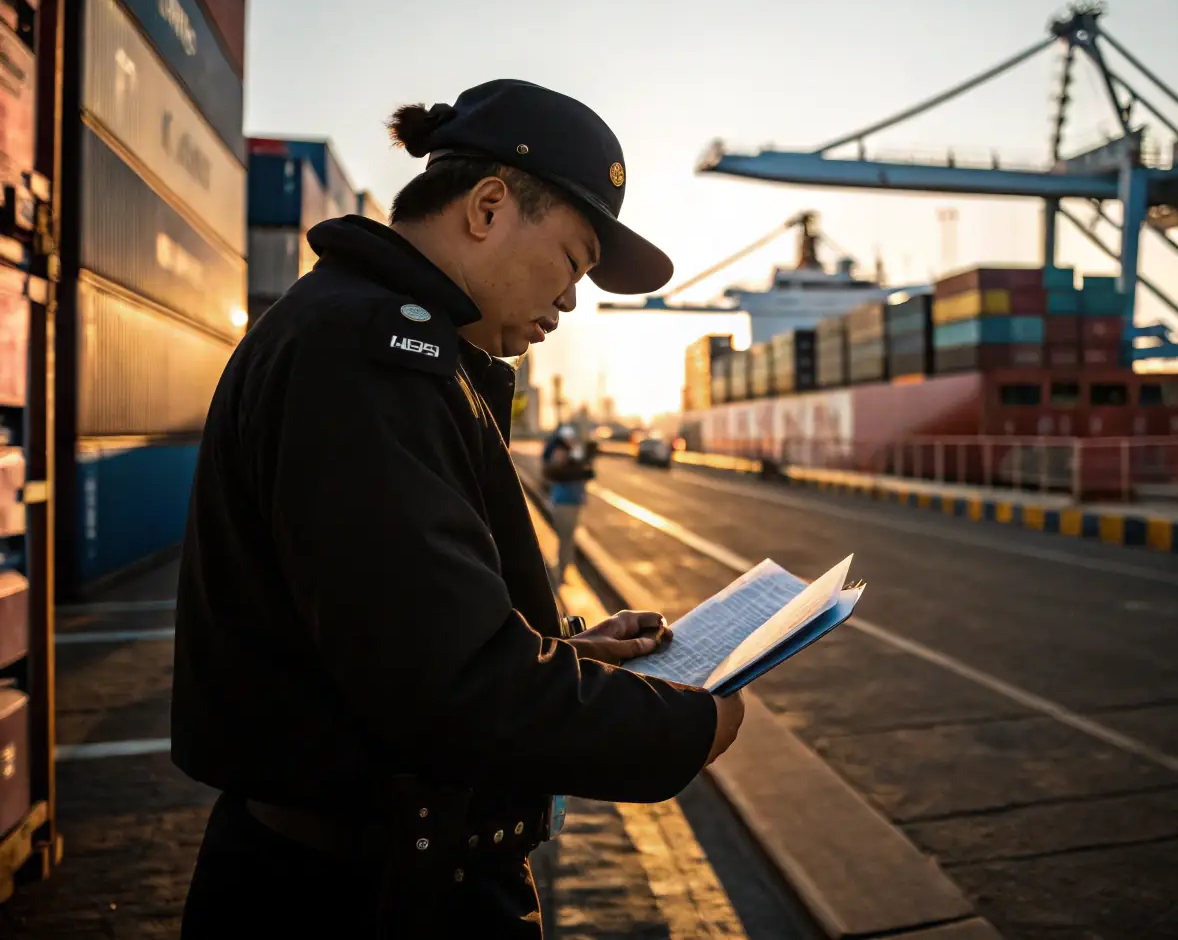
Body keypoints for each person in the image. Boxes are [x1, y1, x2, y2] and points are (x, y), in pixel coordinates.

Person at [170, 79, 746, 939]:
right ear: (486, 207)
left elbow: (395, 640)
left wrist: (562, 656)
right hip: (363, 902)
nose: (570, 301)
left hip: (351, 874)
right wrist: (691, 725)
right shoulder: (369, 358)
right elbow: (450, 690)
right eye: (572, 261)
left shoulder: (367, 337)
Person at [540, 424, 593, 587]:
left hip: (573, 501)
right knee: (565, 538)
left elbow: (586, 472)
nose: (571, 440)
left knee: (568, 538)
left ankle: (564, 569)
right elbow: (558, 472)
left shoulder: (574, 453)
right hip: (563, 502)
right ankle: (561, 572)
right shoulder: (560, 453)